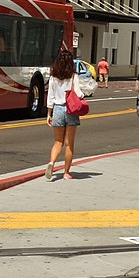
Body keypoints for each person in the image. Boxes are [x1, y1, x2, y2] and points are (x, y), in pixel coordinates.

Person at [44, 48, 81, 181]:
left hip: (58, 109)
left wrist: (49, 113)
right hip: (70, 110)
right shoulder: (73, 77)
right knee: (69, 144)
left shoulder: (53, 77)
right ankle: (66, 172)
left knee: (57, 141)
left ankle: (51, 163)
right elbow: (78, 93)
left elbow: (50, 97)